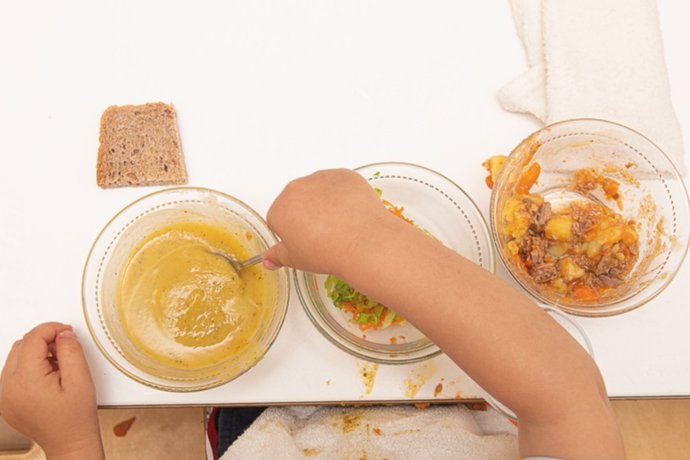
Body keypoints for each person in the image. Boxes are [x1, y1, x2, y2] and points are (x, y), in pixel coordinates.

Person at [0, 169, 626, 459]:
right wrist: (366, 243)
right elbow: (567, 399)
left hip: (253, 435)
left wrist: (72, 441)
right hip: (454, 406)